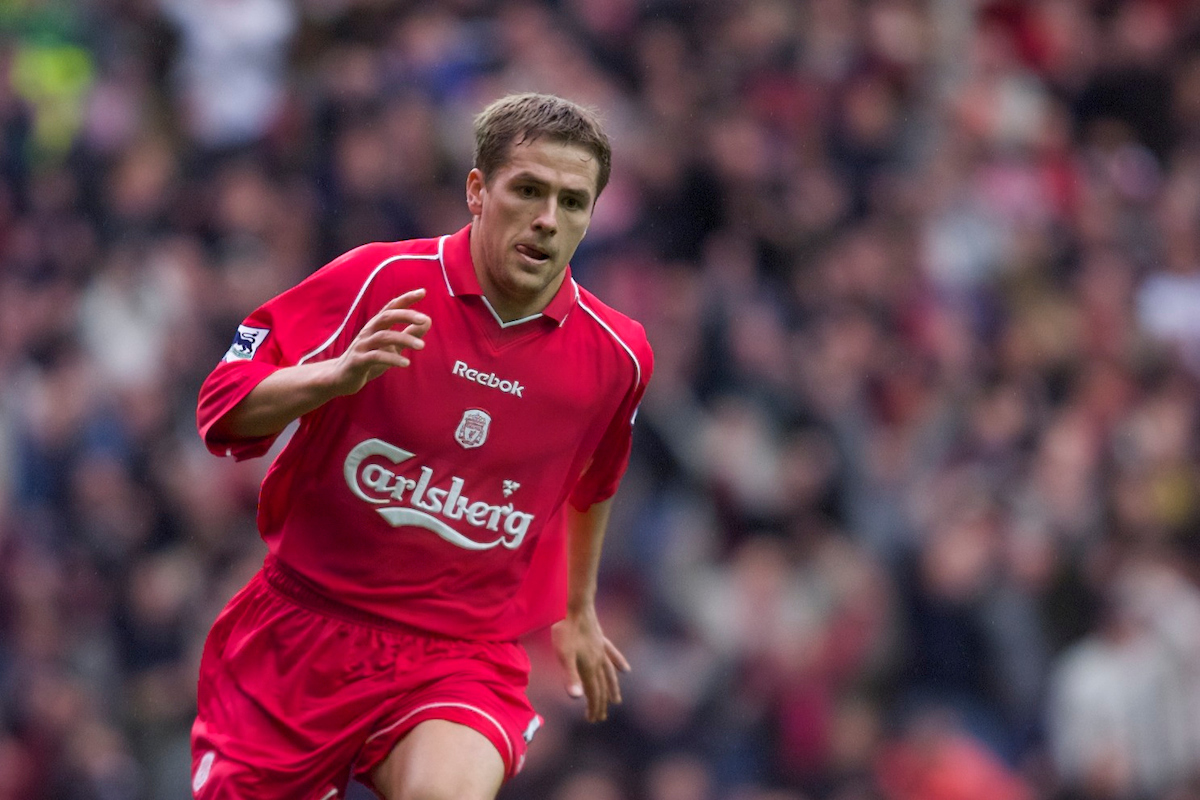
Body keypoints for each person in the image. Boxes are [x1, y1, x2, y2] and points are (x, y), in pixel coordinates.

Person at [190, 93, 653, 800]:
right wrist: (333, 377)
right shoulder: (380, 281)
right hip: (302, 631)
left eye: (572, 202)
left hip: (459, 655)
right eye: (528, 190)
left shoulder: (617, 356)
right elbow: (221, 410)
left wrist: (579, 609)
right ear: (477, 190)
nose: (547, 220)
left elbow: (594, 481)